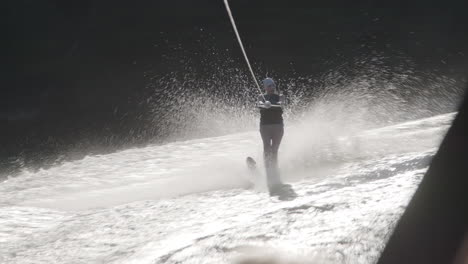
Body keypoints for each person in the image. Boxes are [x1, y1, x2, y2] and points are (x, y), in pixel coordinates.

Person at [257, 77, 287, 195]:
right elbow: (258, 104)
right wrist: (265, 104)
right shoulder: (261, 97)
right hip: (265, 126)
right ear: (265, 87)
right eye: (269, 86)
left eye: (273, 85)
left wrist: (273, 104)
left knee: (274, 149)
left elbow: (282, 104)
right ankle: (267, 168)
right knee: (267, 148)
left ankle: (274, 168)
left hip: (278, 126)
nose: (271, 87)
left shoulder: (281, 96)